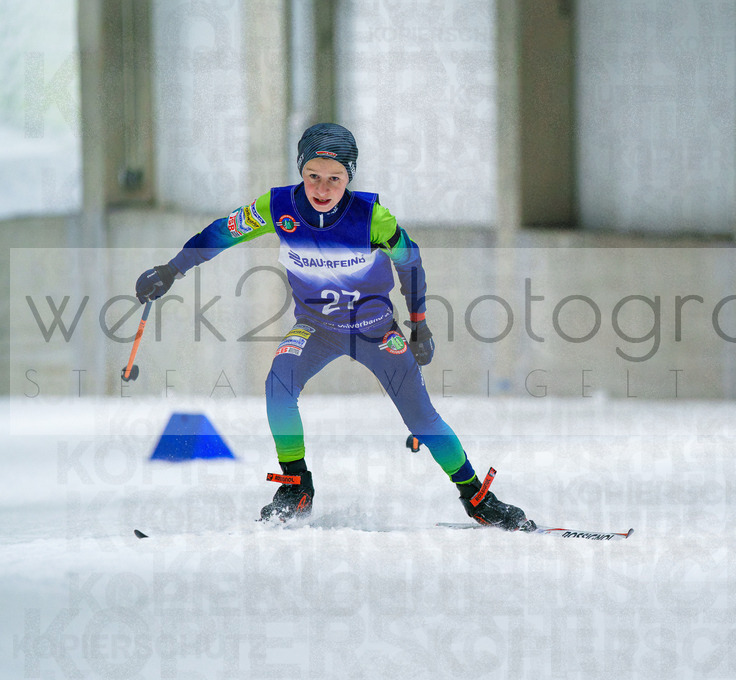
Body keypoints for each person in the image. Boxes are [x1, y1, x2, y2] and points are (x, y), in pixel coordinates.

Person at [135, 122, 534, 531]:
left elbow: (410, 264)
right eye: (313, 176)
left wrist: (420, 326)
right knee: (278, 384)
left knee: (421, 419)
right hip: (315, 328)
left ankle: (477, 498)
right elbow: (221, 234)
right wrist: (171, 270)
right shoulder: (277, 208)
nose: (322, 189)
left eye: (335, 179)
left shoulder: (373, 218)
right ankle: (296, 485)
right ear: (300, 171)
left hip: (377, 331)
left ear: (350, 177)